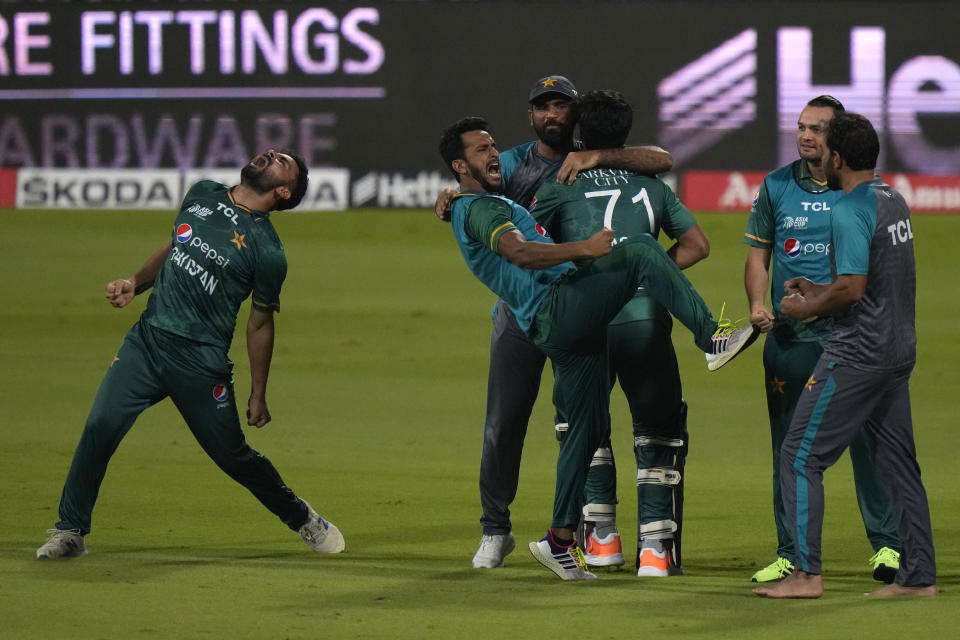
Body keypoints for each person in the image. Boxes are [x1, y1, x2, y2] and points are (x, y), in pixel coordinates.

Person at [438, 117, 757, 580]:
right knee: (643, 250)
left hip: (566, 320)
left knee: (587, 428)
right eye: (481, 149)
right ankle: (711, 338)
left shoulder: (484, 203)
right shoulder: (481, 208)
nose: (493, 154)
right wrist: (584, 249)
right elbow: (522, 253)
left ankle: (560, 541)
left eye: (493, 145)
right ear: (458, 164)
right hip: (555, 309)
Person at [36, 149, 346, 559]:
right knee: (100, 426)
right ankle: (70, 530)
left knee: (234, 458)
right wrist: (135, 282)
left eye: (282, 161)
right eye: (273, 151)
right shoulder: (203, 193)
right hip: (146, 342)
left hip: (200, 363)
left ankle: (301, 517)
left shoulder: (267, 251)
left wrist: (258, 393)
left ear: (283, 191)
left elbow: (259, 324)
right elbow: (177, 243)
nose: (270, 153)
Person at [447, 75, 674, 571]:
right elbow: (473, 194)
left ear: (574, 115)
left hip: (574, 302)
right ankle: (495, 530)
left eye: (561, 105)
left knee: (582, 419)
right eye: (542, 106)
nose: (552, 113)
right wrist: (449, 195)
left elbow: (661, 159)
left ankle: (583, 534)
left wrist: (598, 156)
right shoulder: (506, 163)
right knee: (505, 423)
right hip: (519, 310)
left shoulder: (588, 157)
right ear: (529, 115)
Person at [754, 113, 937, 598]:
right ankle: (918, 577)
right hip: (898, 350)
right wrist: (819, 288)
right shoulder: (892, 199)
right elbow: (872, 278)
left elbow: (853, 291)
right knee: (898, 463)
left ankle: (806, 575)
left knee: (798, 455)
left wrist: (804, 306)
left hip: (857, 354)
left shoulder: (847, 208)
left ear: (837, 157)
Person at [531, 89, 709, 577]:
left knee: (583, 428)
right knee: (659, 432)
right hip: (645, 322)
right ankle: (656, 553)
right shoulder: (651, 185)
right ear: (627, 136)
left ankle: (601, 541)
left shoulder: (559, 183)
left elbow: (528, 248)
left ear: (579, 132)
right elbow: (697, 245)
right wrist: (647, 276)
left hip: (586, 322)